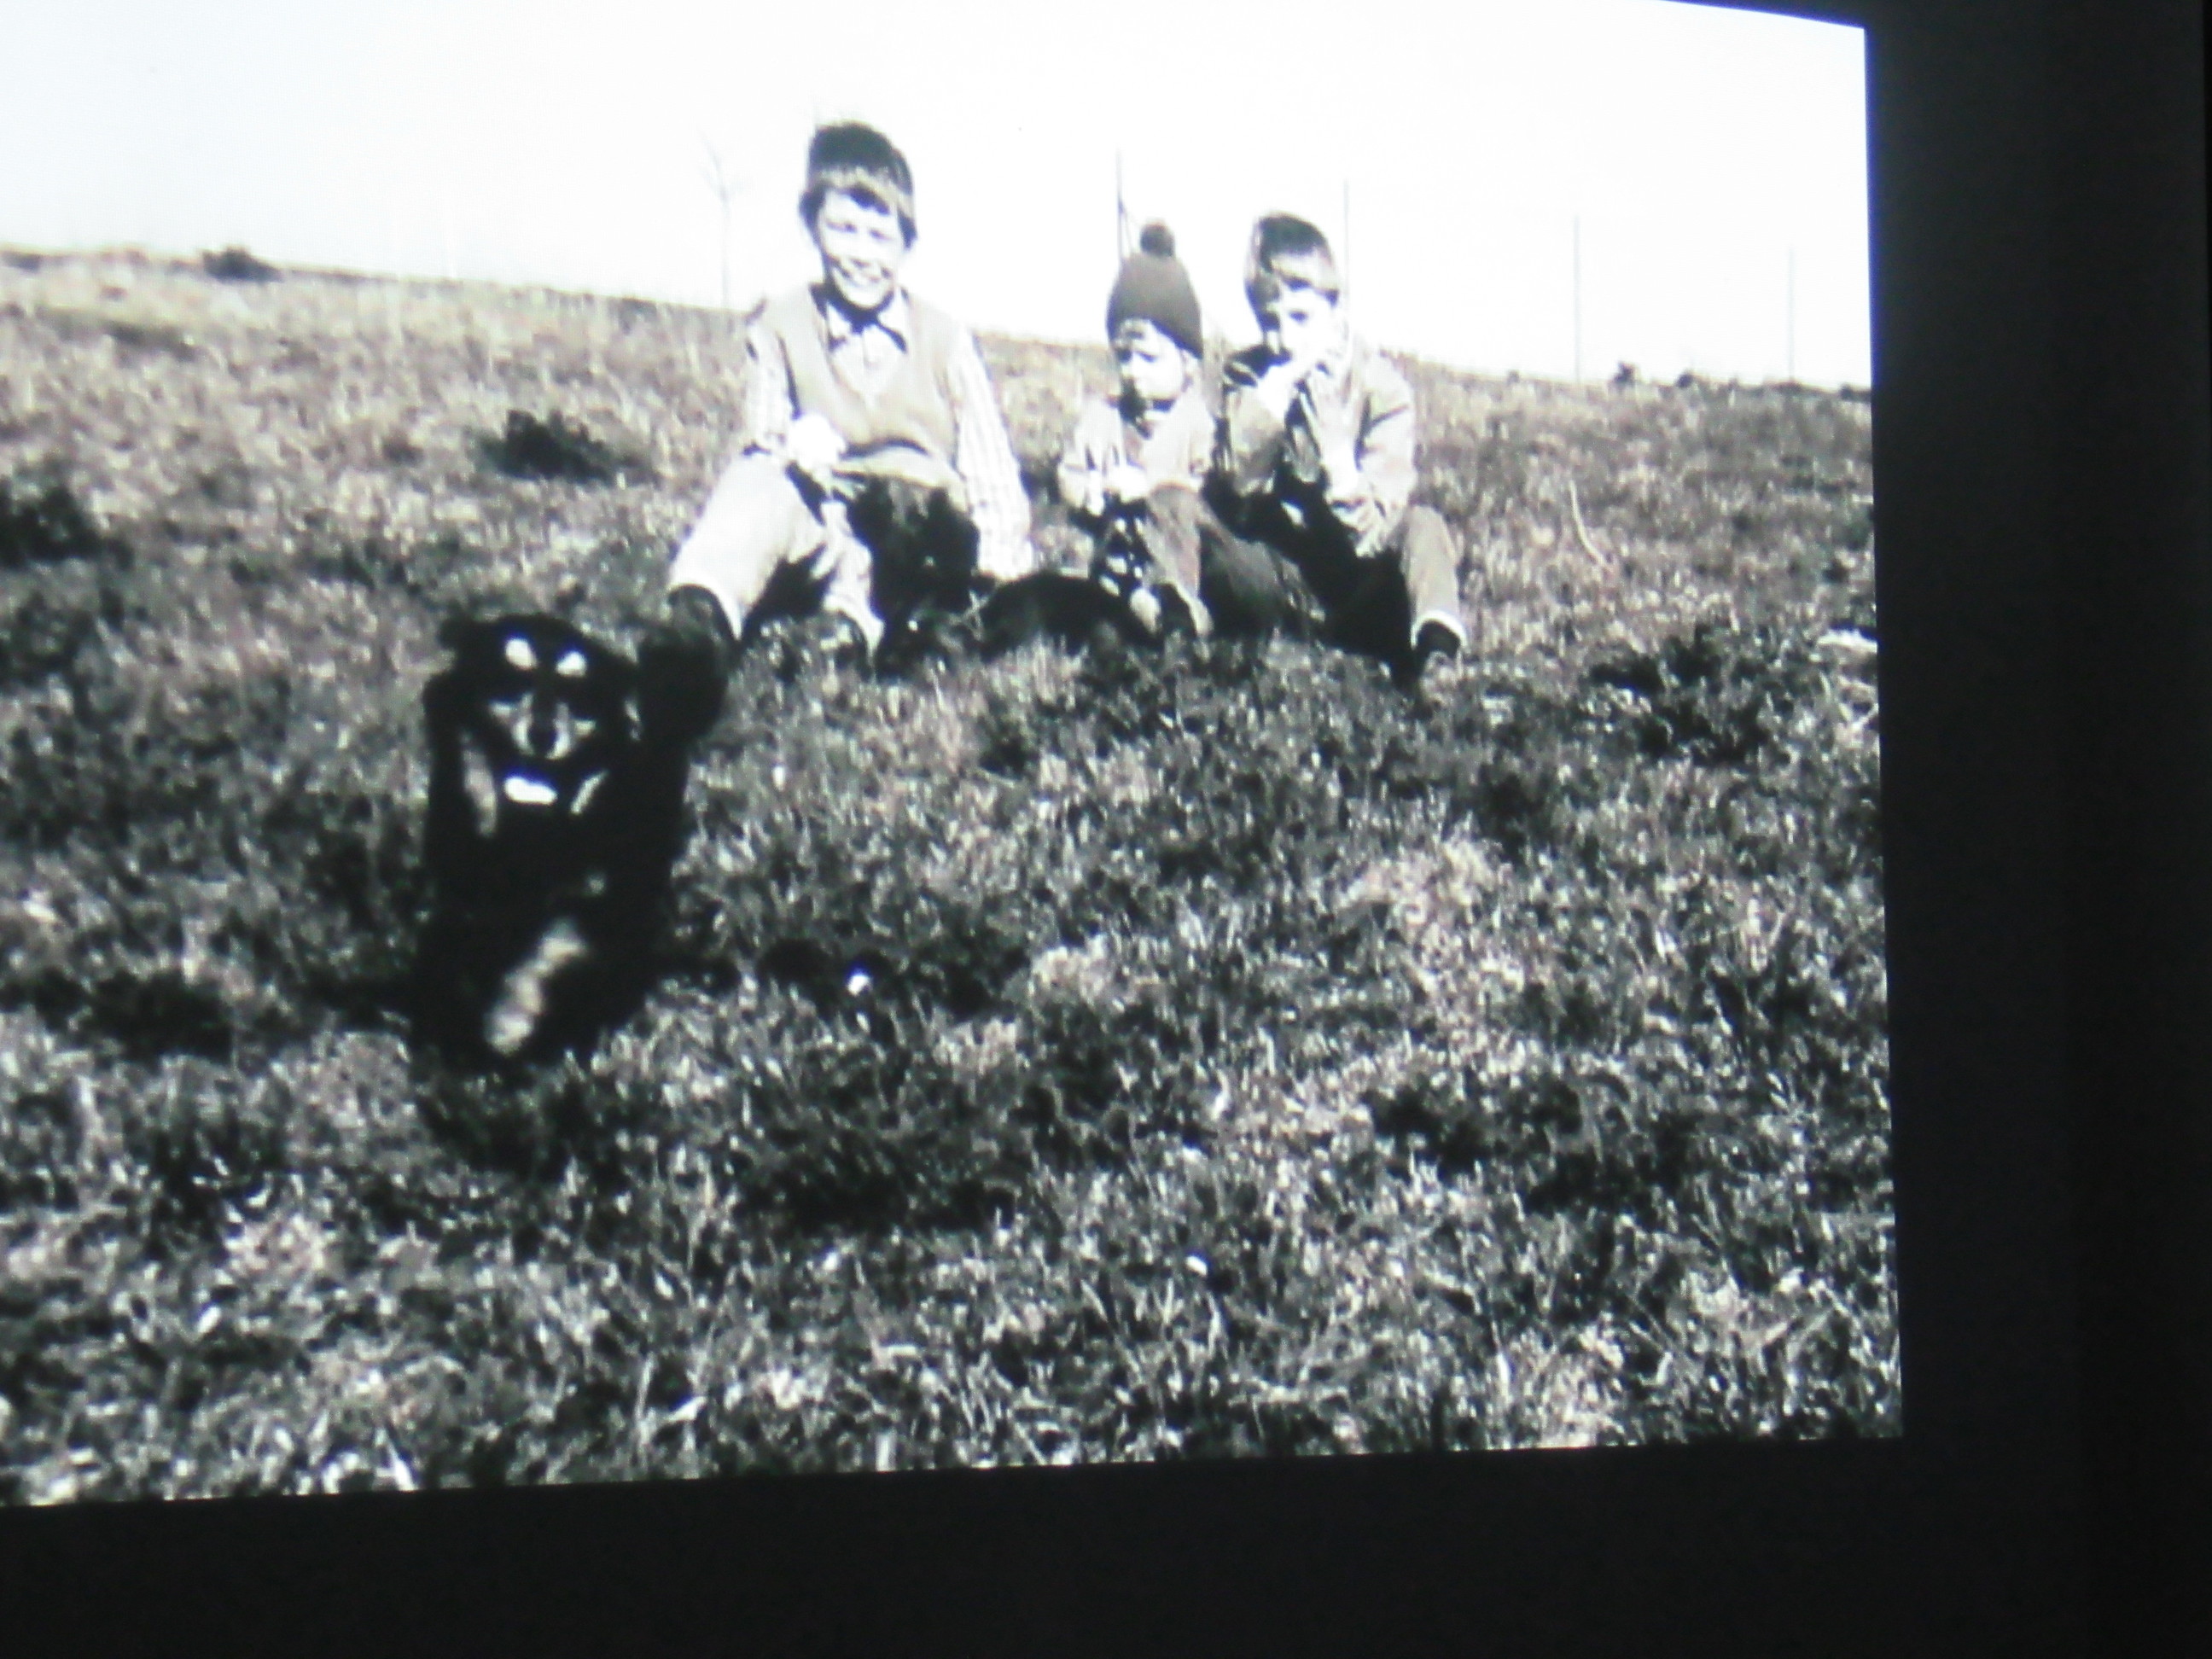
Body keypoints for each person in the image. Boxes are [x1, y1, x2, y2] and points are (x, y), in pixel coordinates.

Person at [639, 122, 1036, 738]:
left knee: (909, 561)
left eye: (880, 236)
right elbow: (763, 441)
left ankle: (844, 637)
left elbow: (994, 480)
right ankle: (698, 622)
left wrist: (994, 577)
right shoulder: (780, 325)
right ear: (812, 227)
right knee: (757, 479)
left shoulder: (945, 340)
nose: (861, 255)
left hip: (911, 539)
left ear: (906, 244)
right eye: (843, 229)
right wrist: (790, 444)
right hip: (822, 520)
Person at [1204, 212, 1466, 689]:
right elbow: (1236, 488)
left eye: (1301, 318)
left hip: (1359, 582)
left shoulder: (1383, 390)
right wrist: (1268, 406)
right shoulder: (1250, 375)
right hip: (1281, 575)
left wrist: (1339, 459)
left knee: (1424, 526)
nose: (1285, 341)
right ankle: (1217, 634)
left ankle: (1436, 655)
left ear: (1336, 310)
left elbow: (1379, 528)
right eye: (1269, 321)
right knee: (1196, 518)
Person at [1054, 222, 1215, 639]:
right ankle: (1117, 605)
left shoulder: (1198, 423)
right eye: (1124, 358)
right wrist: (1088, 490)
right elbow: (1070, 471)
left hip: (1178, 557)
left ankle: (1175, 608)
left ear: (1188, 362)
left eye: (1148, 358)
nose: (1133, 372)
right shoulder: (1102, 416)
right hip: (1112, 550)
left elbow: (1208, 493)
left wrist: (1152, 486)